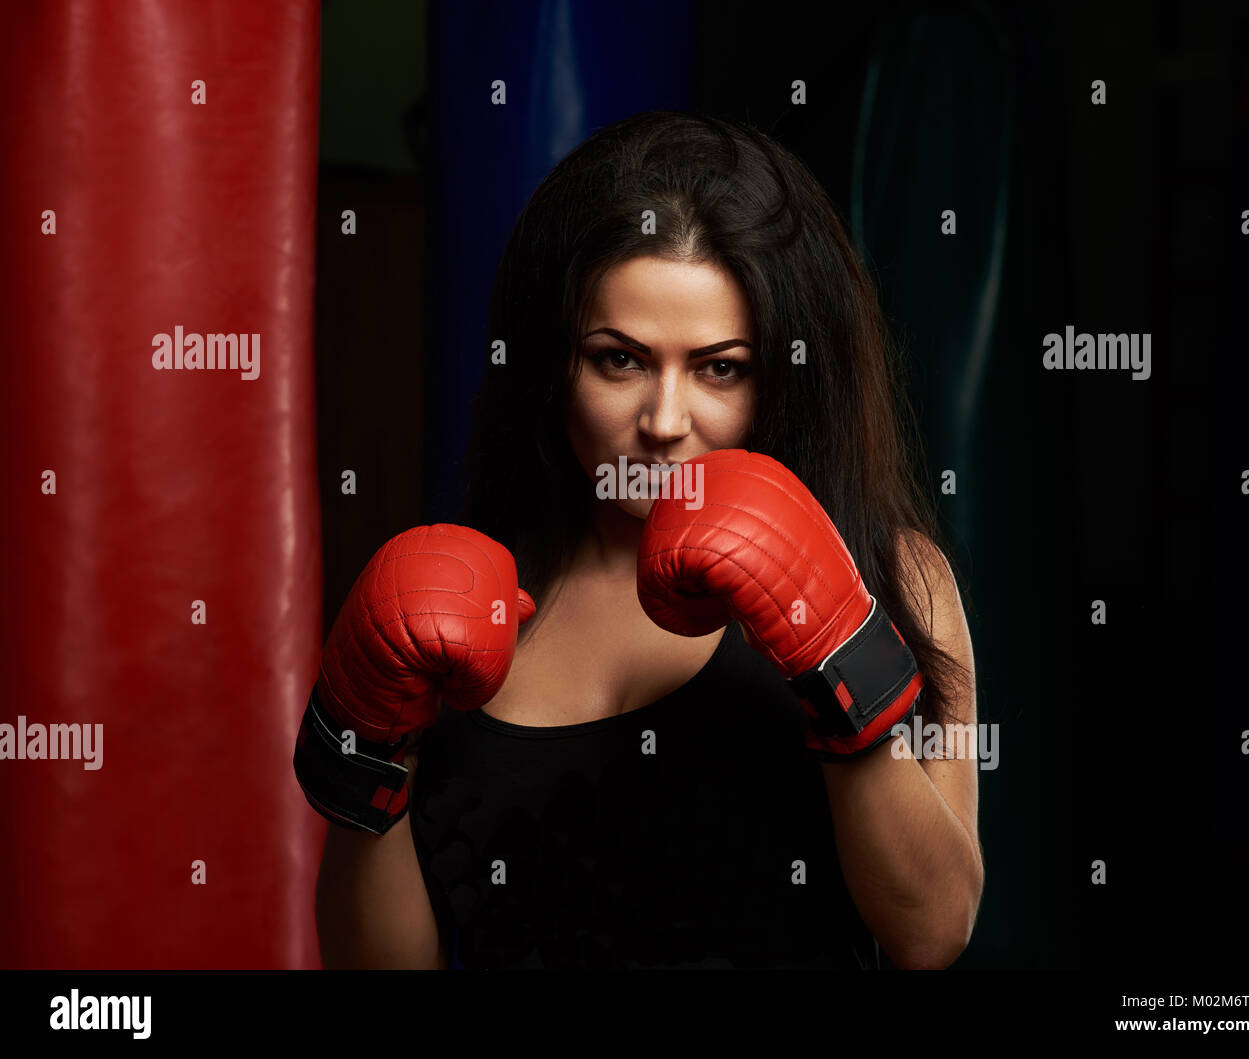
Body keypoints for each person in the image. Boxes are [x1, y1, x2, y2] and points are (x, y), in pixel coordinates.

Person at [297, 110, 983, 970]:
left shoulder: (893, 572)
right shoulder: (462, 601)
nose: (664, 422)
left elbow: (934, 928)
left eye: (719, 367)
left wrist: (830, 642)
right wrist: (368, 757)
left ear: (783, 379)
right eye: (618, 359)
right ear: (556, 366)